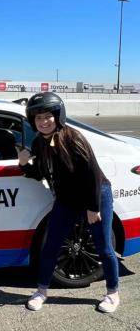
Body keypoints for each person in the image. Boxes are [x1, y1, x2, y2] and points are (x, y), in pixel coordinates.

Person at [16, 92, 119, 313]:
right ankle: (41, 291)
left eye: (47, 116)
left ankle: (112, 293)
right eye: (38, 117)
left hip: (95, 194)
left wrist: (93, 207)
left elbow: (91, 174)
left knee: (104, 247)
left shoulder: (73, 138)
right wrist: (24, 163)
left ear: (57, 115)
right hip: (67, 200)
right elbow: (40, 173)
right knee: (51, 246)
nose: (43, 121)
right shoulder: (39, 142)